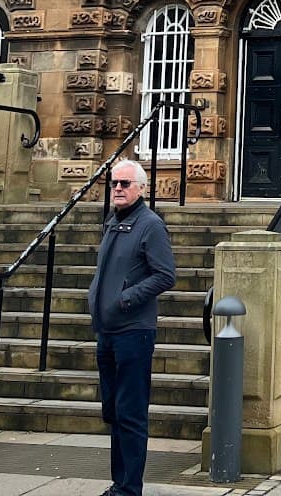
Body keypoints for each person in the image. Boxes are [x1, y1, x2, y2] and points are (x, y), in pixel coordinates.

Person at [88, 159, 176, 496]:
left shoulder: (150, 225)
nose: (118, 189)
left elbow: (165, 274)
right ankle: (119, 483)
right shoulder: (113, 222)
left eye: (125, 184)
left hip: (133, 332)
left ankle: (129, 488)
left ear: (141, 188)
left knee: (130, 412)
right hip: (107, 331)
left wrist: (126, 298)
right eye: (114, 184)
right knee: (112, 411)